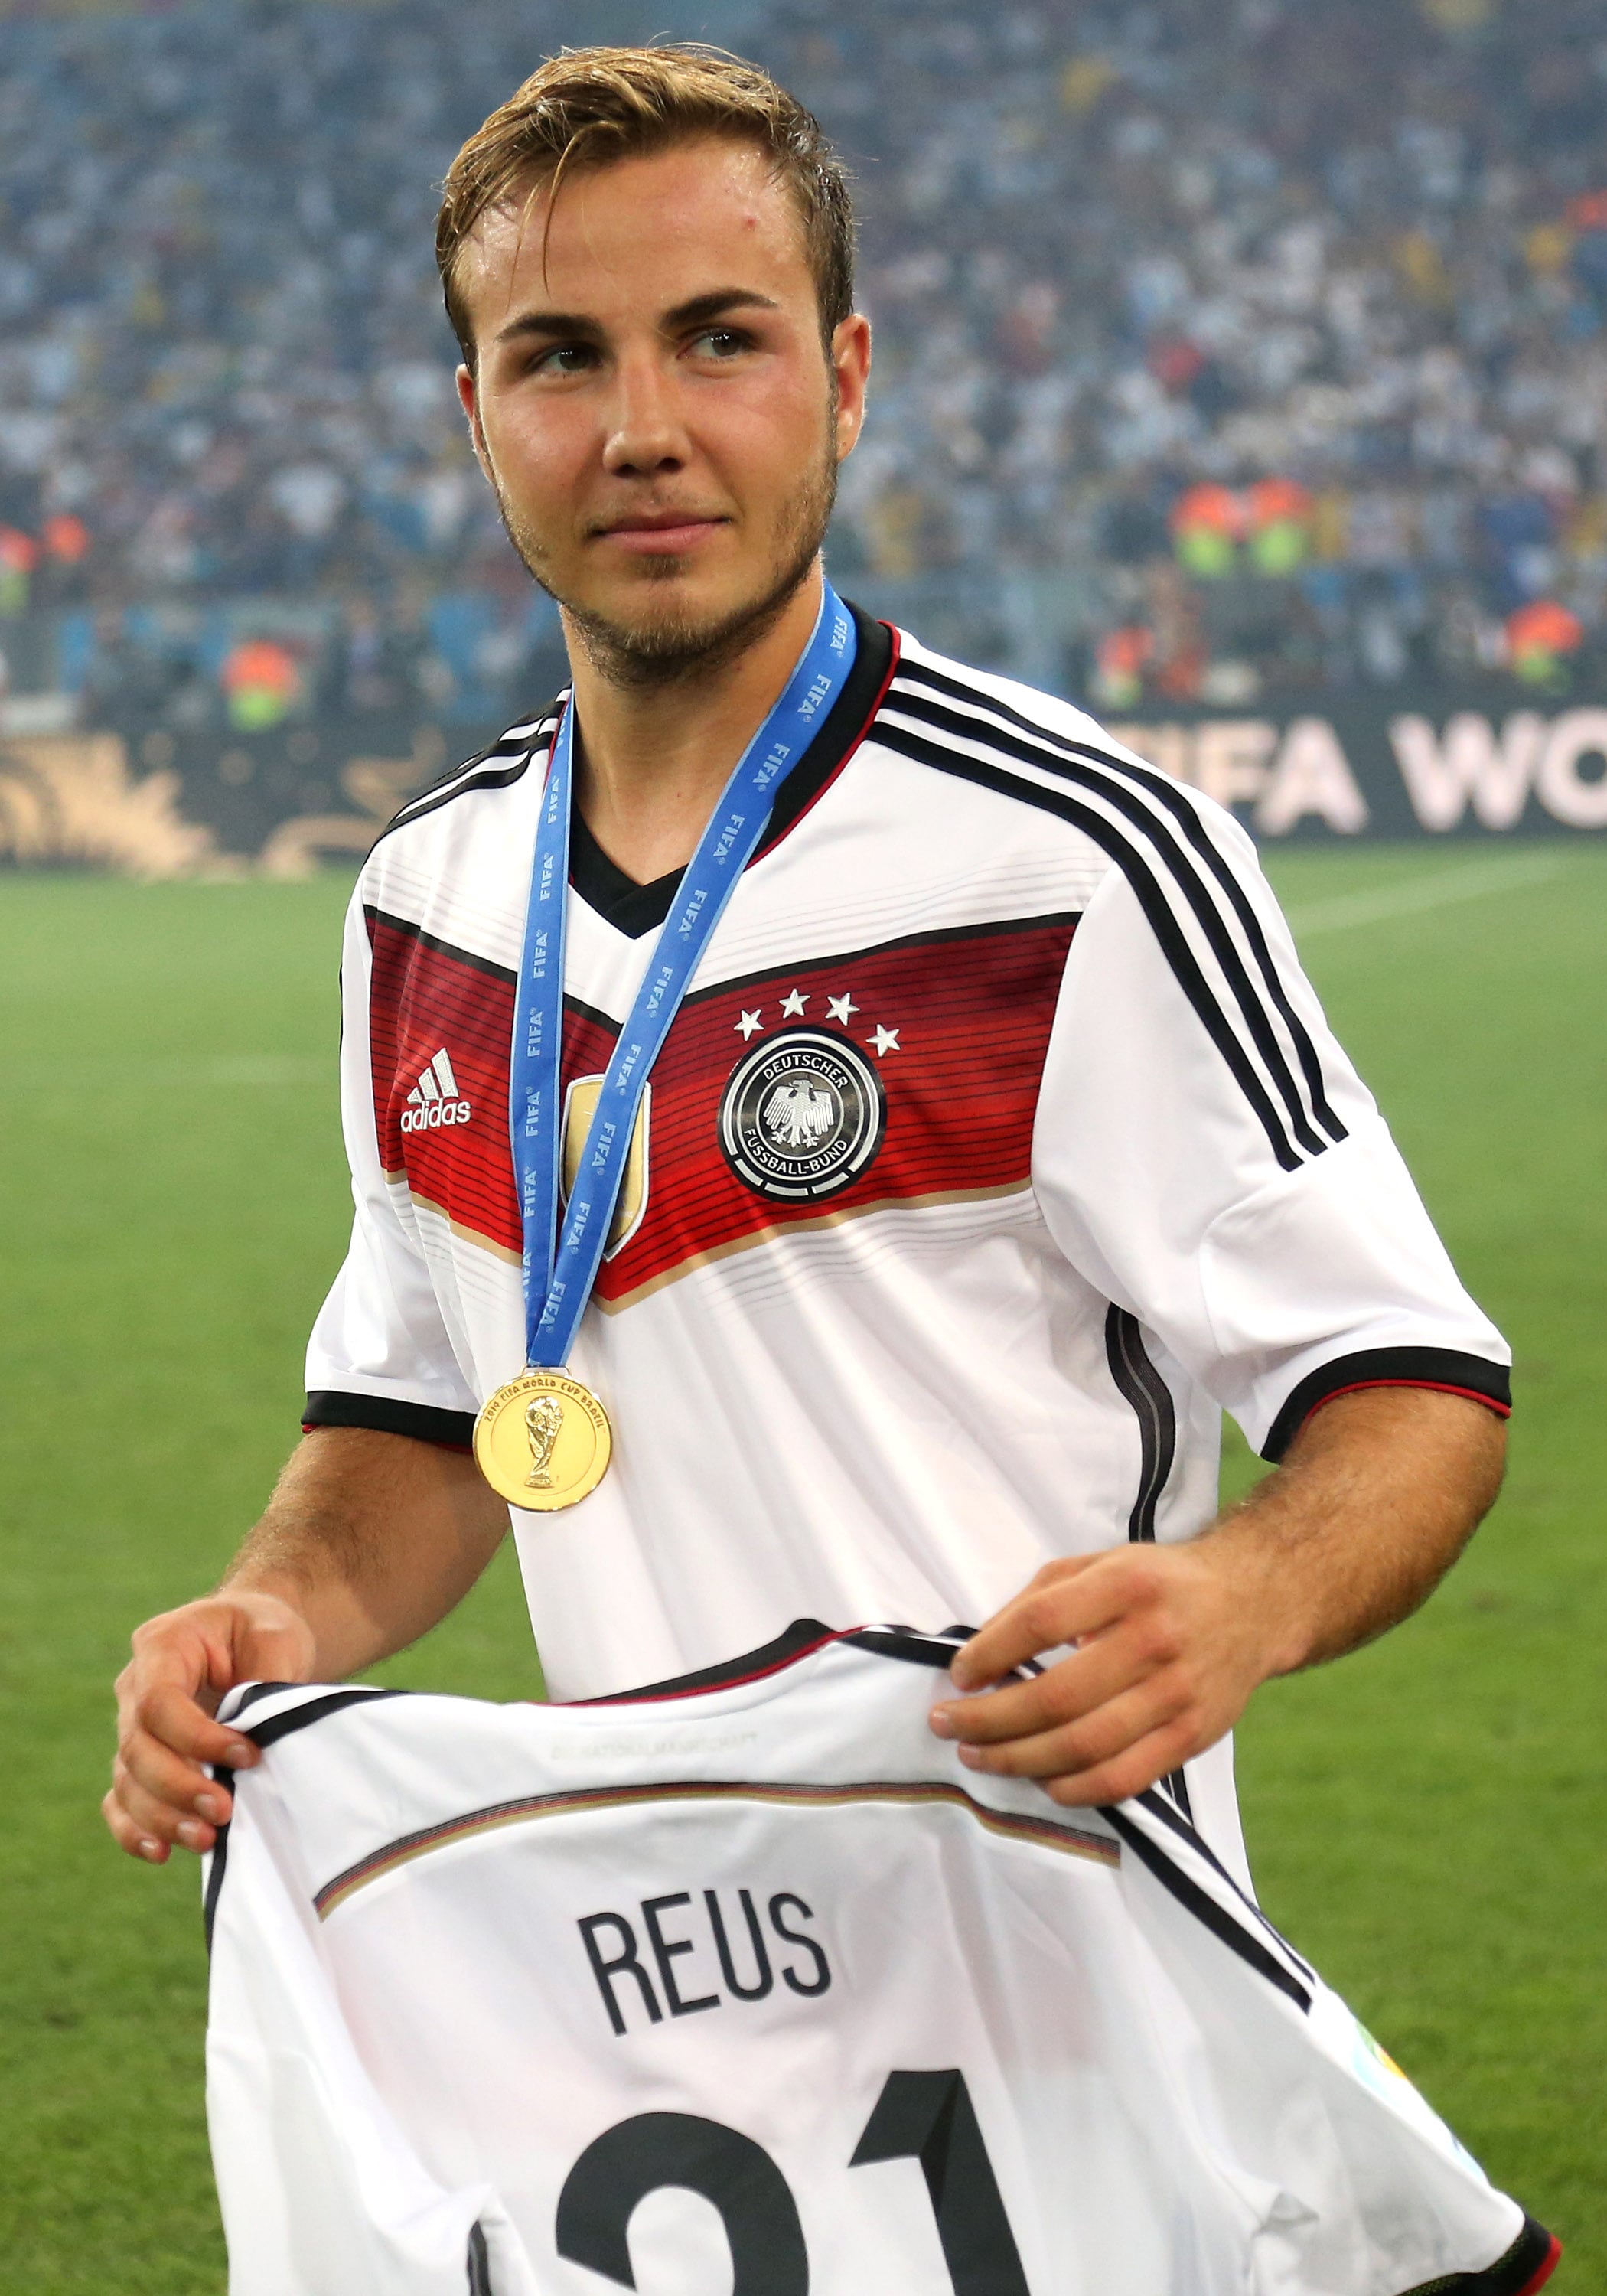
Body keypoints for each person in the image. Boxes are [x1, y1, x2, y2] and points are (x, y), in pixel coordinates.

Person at [105, 48, 1510, 1893]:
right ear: (474, 414)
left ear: (843, 380)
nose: (642, 428)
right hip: (667, 1987)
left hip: (1056, 1984)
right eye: (559, 357)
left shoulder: (1075, 858)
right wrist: (274, 1607)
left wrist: (1243, 1591)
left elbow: (1409, 1382)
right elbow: (428, 1413)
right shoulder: (422, 901)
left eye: (719, 339)